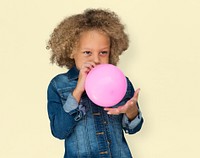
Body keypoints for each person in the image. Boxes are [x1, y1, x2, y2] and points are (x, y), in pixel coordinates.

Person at [46, 8, 144, 158]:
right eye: (87, 52)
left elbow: (133, 128)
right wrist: (77, 91)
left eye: (103, 52)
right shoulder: (59, 85)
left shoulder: (119, 82)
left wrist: (131, 111)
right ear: (71, 51)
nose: (96, 59)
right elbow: (59, 131)